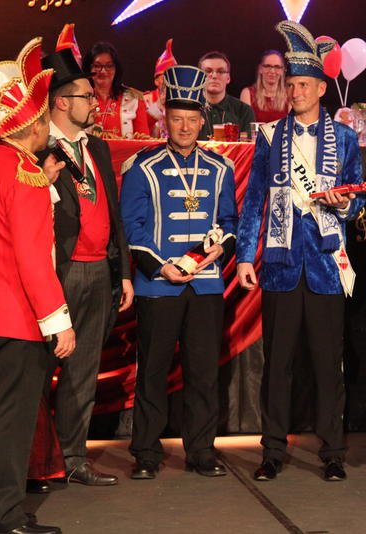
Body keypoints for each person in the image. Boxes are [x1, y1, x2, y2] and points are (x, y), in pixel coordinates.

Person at [236, 20, 364, 482]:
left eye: (304, 85)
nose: (295, 92)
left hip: (327, 265)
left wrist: (345, 203)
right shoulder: (270, 135)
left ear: (322, 88)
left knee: (329, 365)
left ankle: (333, 452)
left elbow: (358, 197)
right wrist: (245, 256)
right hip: (281, 264)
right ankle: (272, 450)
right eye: (291, 85)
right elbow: (254, 199)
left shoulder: (345, 138)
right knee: (278, 365)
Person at [0, 37, 75, 534]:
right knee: (9, 424)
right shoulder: (24, 173)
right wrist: (59, 321)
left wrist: (42, 183)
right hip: (16, 319)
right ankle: (4, 518)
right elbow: (32, 258)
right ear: (33, 124)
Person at [119, 64, 237, 480]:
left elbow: (230, 223)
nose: (184, 127)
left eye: (191, 119)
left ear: (202, 120)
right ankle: (146, 453)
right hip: (158, 284)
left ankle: (202, 451)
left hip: (206, 286)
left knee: (203, 373)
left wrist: (220, 248)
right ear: (164, 120)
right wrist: (161, 267)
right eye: (176, 118)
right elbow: (131, 228)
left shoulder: (221, 168)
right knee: (152, 371)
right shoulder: (141, 167)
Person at [40, 46, 134, 486]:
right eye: (85, 96)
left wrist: (125, 272)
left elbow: (115, 213)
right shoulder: (38, 149)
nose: (94, 102)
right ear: (61, 102)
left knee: (83, 371)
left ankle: (73, 458)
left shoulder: (96, 145)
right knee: (40, 369)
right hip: (56, 273)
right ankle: (38, 460)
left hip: (99, 271)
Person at [82, 41, 150, 139]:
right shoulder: (81, 98)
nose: (103, 71)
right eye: (97, 66)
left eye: (109, 66)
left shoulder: (134, 99)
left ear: (116, 69)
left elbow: (143, 140)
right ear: (88, 68)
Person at [197, 51, 255, 140]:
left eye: (220, 71)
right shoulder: (190, 109)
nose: (214, 76)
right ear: (199, 77)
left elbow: (248, 146)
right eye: (208, 71)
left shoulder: (243, 111)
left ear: (228, 78)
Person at [239, 49, 290, 124]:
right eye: (267, 66)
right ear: (260, 69)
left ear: (282, 70)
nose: (272, 71)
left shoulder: (289, 94)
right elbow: (246, 127)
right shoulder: (247, 94)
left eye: (277, 67)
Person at [143, 39, 178, 138]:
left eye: (173, 76)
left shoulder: (184, 99)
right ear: (156, 81)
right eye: (165, 77)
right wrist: (159, 105)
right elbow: (142, 127)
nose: (169, 81)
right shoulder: (145, 99)